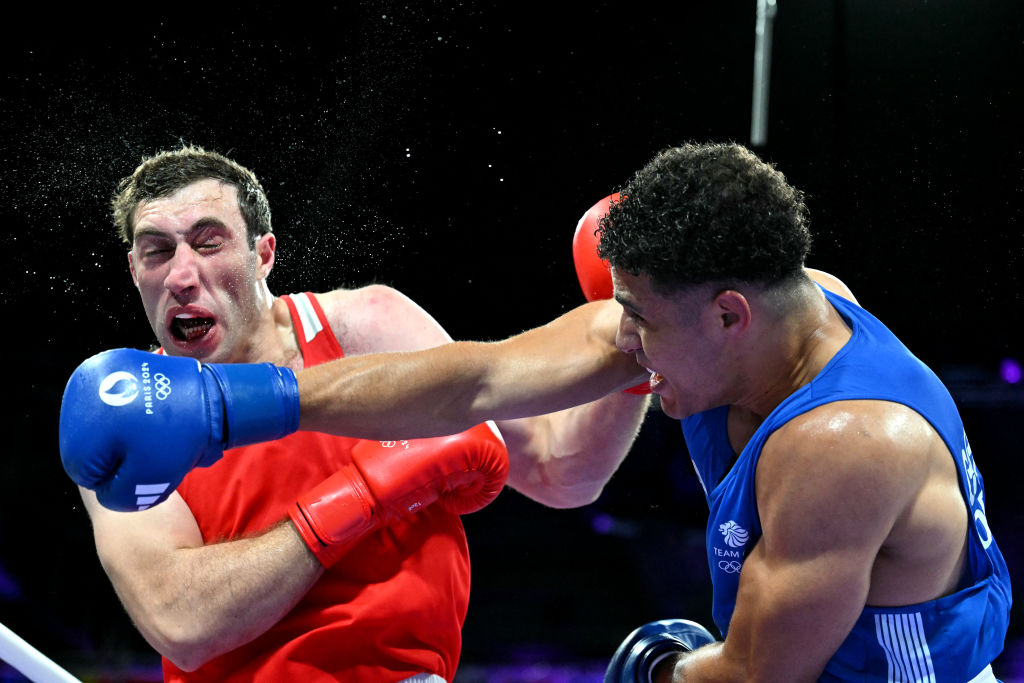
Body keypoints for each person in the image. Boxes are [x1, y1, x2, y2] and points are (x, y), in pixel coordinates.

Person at [61, 141, 1010, 681]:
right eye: (154, 250)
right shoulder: (747, 319)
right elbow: (481, 380)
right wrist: (247, 407)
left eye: (636, 320)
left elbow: (756, 674)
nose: (617, 339)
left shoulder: (842, 442)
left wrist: (660, 667)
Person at [63, 145, 651, 682]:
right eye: (157, 252)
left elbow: (562, 470)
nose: (182, 276)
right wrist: (361, 494)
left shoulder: (367, 328)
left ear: (263, 254)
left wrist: (639, 330)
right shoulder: (124, 410)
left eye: (208, 242)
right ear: (136, 272)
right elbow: (183, 623)